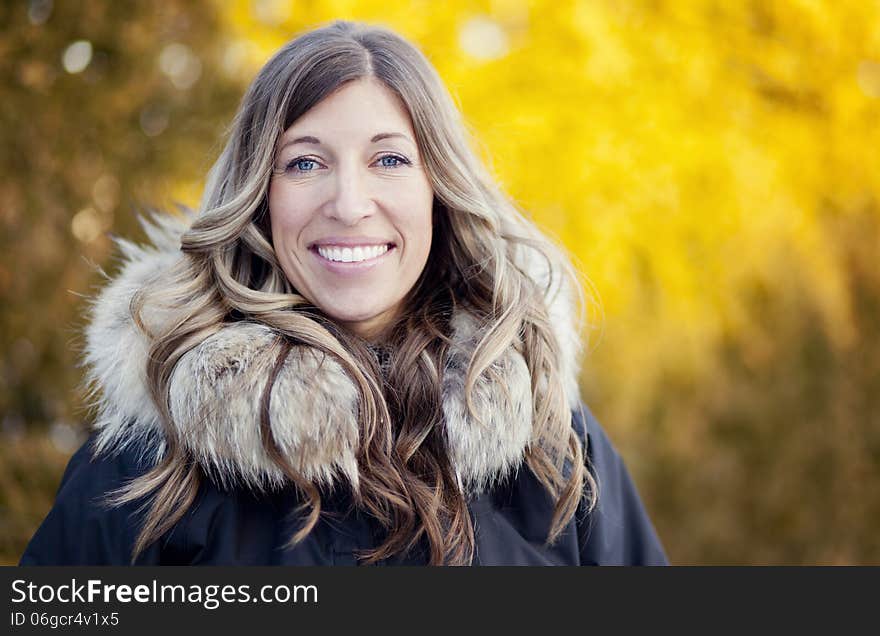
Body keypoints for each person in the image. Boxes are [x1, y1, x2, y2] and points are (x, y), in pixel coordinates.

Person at [20, 20, 667, 566]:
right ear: (259, 197)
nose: (350, 205)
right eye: (305, 162)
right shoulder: (148, 467)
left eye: (389, 160)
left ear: (437, 191)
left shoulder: (555, 450)